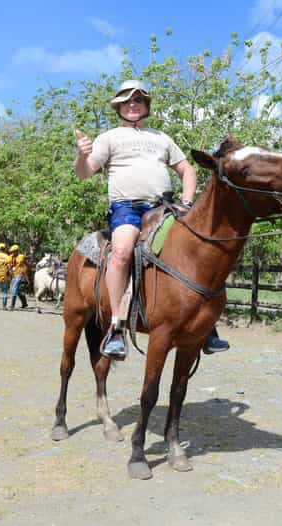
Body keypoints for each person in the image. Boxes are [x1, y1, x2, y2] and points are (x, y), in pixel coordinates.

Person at [74, 79, 230, 359]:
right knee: (121, 252)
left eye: (138, 100)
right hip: (127, 209)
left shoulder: (162, 138)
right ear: (119, 107)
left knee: (199, 248)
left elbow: (188, 172)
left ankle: (207, 328)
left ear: (146, 106)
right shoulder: (109, 137)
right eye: (127, 101)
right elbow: (84, 173)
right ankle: (116, 328)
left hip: (166, 207)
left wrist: (186, 201)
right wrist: (81, 155)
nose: (133, 105)